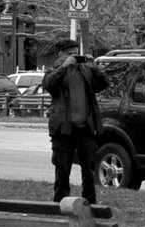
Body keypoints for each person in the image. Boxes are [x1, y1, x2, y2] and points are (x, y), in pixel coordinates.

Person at [41, 39, 109, 204]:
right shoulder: (55, 70)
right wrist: (64, 67)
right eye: (70, 54)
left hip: (85, 127)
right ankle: (61, 201)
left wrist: (96, 69)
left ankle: (90, 201)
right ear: (61, 55)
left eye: (76, 54)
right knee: (62, 167)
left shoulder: (85, 70)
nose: (74, 57)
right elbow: (48, 85)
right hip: (64, 128)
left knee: (89, 167)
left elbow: (103, 84)